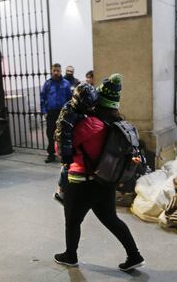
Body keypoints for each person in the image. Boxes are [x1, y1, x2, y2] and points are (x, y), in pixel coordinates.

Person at [54, 74, 145, 272]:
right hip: (105, 180)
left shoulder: (89, 125)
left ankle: (70, 256)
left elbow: (59, 149)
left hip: (81, 183)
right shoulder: (116, 123)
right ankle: (134, 255)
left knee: (72, 221)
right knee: (111, 219)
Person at [40, 63, 71, 163]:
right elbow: (42, 98)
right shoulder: (47, 84)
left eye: (58, 70)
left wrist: (69, 111)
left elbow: (70, 98)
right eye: (54, 70)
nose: (56, 72)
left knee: (64, 134)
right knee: (50, 133)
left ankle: (64, 154)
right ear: (52, 71)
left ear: (61, 71)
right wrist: (44, 111)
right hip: (51, 113)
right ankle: (51, 155)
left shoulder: (66, 83)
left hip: (62, 112)